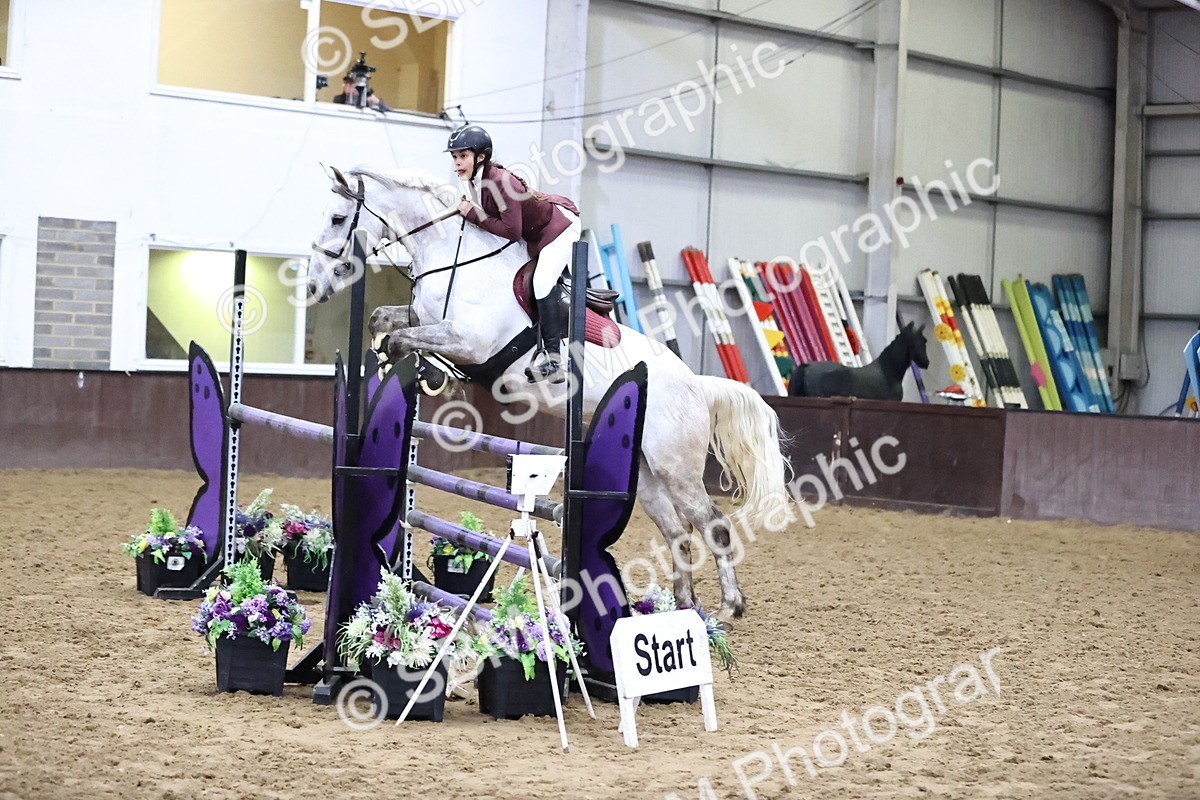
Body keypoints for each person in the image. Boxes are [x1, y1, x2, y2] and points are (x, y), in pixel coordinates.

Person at [446, 124, 582, 384]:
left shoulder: (498, 181)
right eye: (454, 157)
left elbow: (510, 230)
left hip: (560, 227)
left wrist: (472, 214)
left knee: (542, 282)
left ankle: (554, 360)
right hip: (534, 233)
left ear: (481, 156)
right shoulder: (477, 180)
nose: (457, 163)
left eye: (462, 156)